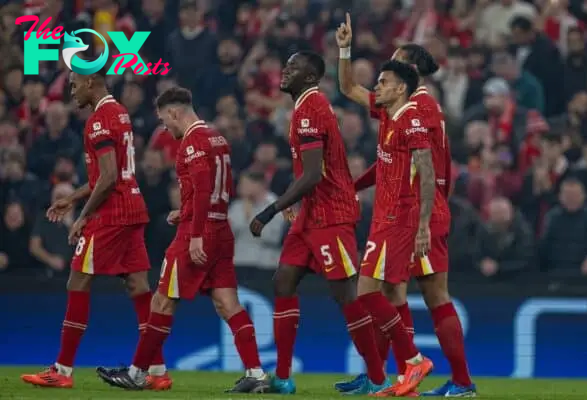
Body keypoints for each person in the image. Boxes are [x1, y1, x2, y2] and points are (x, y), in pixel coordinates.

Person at [336, 13, 476, 397]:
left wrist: (423, 224)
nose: (384, 74)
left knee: (430, 296)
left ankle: (454, 379)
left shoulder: (421, 108)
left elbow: (423, 169)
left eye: (395, 64)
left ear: (409, 73)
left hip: (416, 213)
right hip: (399, 209)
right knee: (393, 295)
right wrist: (345, 49)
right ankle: (394, 377)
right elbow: (349, 89)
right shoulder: (396, 107)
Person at [96, 87, 269, 394]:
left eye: (165, 120)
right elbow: (218, 189)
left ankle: (137, 373)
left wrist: (196, 232)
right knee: (228, 303)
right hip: (221, 229)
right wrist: (186, 210)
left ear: (175, 112)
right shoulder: (218, 138)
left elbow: (203, 188)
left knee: (161, 300)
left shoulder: (192, 142)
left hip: (198, 233)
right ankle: (256, 373)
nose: (166, 127)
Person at [249, 51, 389, 395]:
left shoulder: (312, 109)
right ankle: (282, 377)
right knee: (283, 281)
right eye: (287, 63)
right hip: (310, 215)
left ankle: (377, 378)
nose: (284, 69)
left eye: (294, 67)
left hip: (332, 215)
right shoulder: (304, 107)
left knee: (346, 296)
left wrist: (270, 209)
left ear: (310, 78)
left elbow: (312, 175)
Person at [20, 69, 168, 390]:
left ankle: (62, 370)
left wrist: (82, 215)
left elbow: (109, 177)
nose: (72, 92)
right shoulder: (120, 113)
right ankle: (156, 370)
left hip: (112, 214)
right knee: (139, 286)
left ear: (90, 82)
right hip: (133, 208)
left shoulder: (98, 120)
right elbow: (106, 176)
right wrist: (70, 198)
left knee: (78, 278)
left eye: (74, 85)